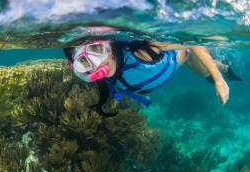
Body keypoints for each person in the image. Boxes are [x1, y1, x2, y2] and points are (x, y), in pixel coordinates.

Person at [64, 39, 242, 117]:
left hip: (184, 55)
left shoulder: (141, 48)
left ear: (109, 43)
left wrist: (219, 79)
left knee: (207, 72)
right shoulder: (105, 77)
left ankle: (224, 67)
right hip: (166, 70)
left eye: (97, 49)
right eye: (83, 61)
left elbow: (192, 41)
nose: (97, 64)